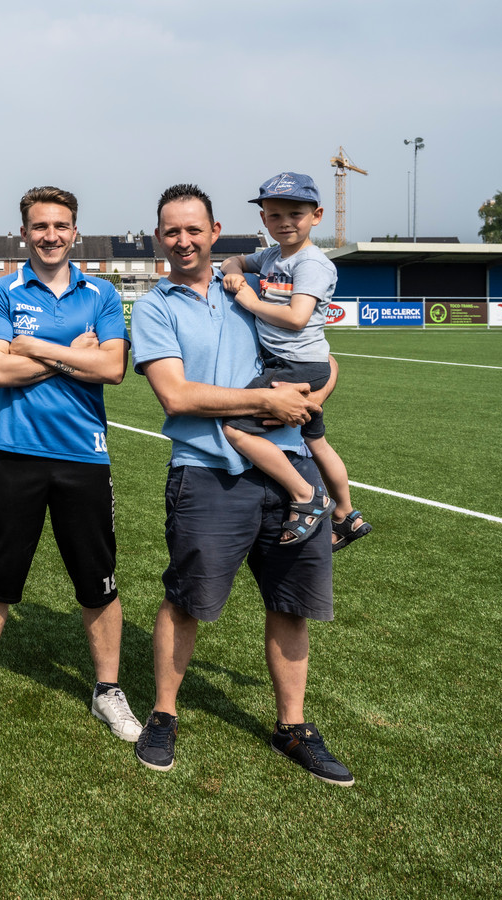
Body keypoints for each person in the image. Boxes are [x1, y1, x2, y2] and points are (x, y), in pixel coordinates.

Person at [128, 183, 354, 785]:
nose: (183, 240)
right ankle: (164, 713)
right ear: (159, 238)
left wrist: (312, 398)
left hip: (288, 468)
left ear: (214, 231)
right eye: (171, 231)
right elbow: (176, 395)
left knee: (292, 603)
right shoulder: (155, 306)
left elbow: (318, 353)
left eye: (194, 230)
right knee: (187, 601)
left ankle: (293, 726)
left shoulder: (252, 287)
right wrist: (263, 399)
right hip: (205, 472)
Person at [0, 185, 139, 742]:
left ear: (75, 231)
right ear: (24, 233)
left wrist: (33, 348)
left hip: (84, 455)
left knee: (97, 580)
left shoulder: (101, 293)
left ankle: (108, 690)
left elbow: (114, 370)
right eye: (39, 226)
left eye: (60, 226)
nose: (50, 235)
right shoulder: (1, 293)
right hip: (14, 452)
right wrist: (72, 356)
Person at [219, 172, 371, 550]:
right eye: (274, 215)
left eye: (295, 213)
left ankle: (306, 497)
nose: (284, 222)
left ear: (316, 215)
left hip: (295, 365)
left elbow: (297, 317)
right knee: (315, 440)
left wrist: (249, 301)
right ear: (263, 220)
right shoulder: (271, 256)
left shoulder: (312, 264)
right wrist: (236, 272)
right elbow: (232, 259)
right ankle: (346, 514)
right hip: (300, 362)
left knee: (234, 428)